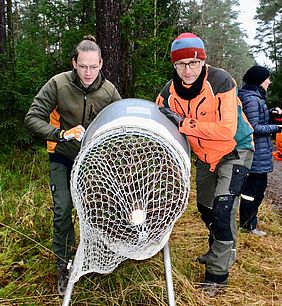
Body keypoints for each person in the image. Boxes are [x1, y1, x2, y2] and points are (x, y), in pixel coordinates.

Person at [156, 32, 254, 296]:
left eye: (193, 63)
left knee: (223, 209)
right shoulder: (168, 92)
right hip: (205, 156)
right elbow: (159, 122)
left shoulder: (221, 81)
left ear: (202, 62)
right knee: (205, 208)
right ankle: (218, 246)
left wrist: (183, 122)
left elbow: (225, 130)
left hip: (236, 150)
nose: (188, 70)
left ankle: (217, 274)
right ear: (174, 65)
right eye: (181, 64)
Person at [25, 35, 121, 296]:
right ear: (74, 63)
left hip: (94, 161)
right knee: (63, 209)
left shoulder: (110, 91)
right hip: (63, 154)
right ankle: (64, 266)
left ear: (101, 63)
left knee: (100, 209)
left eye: (93, 66)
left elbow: (120, 126)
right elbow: (32, 117)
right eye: (83, 66)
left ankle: (100, 261)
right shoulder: (59, 84)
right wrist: (60, 134)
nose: (88, 72)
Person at [238, 66, 282, 236]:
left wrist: (271, 113)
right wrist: (277, 128)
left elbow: (256, 118)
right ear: (259, 81)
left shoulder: (253, 97)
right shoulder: (251, 99)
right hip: (255, 153)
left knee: (257, 188)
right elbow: (253, 127)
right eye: (267, 78)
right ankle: (248, 225)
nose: (269, 82)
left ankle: (250, 221)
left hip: (259, 152)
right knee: (252, 190)